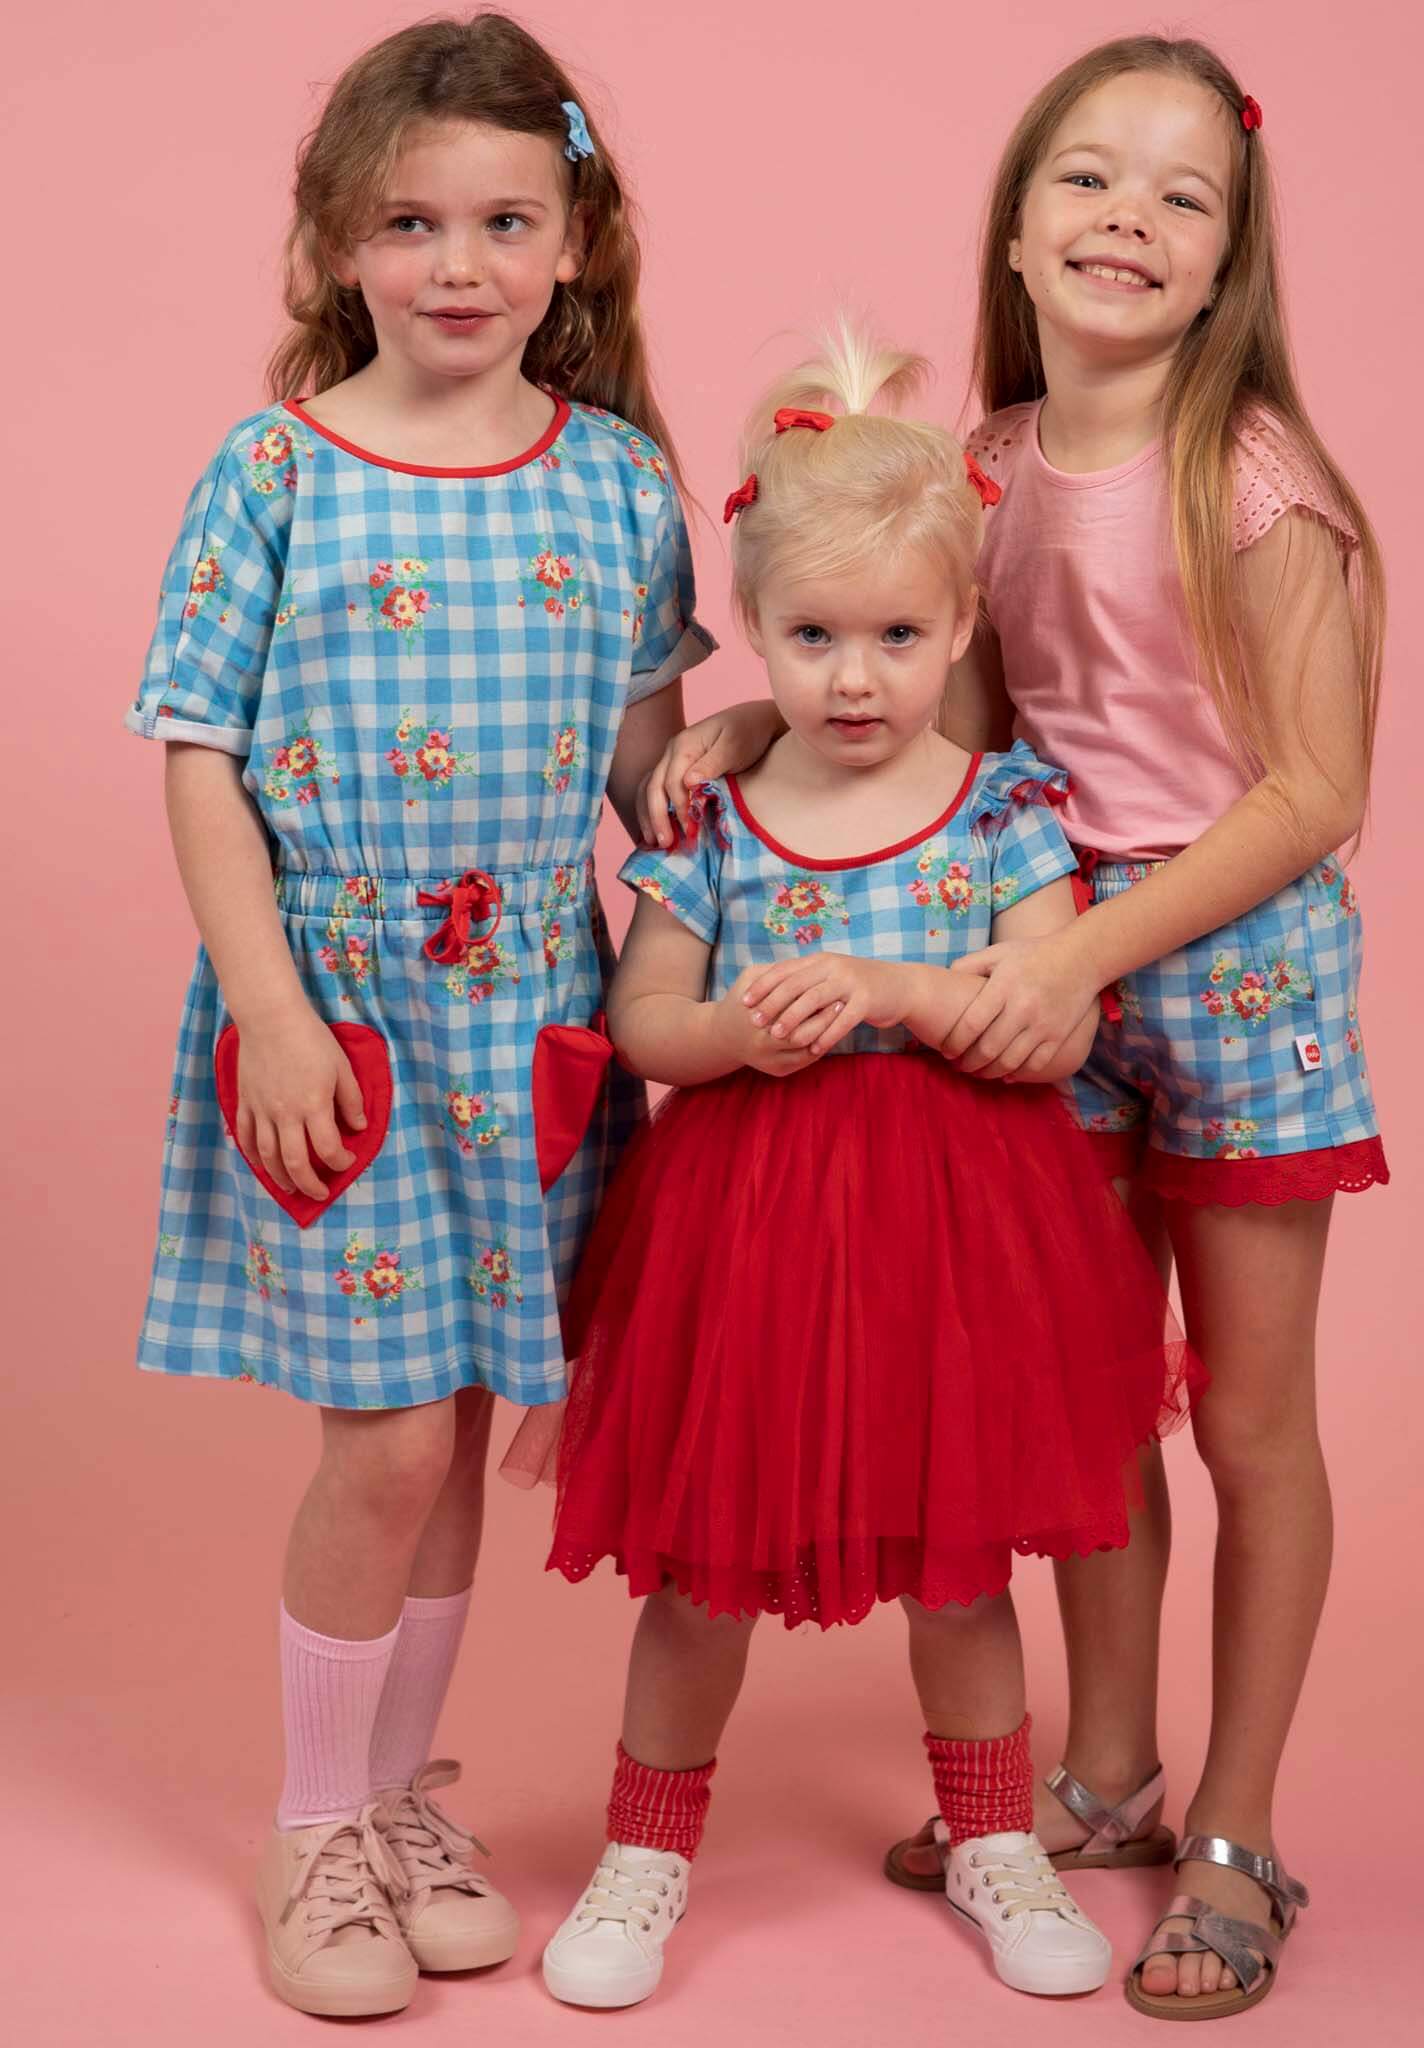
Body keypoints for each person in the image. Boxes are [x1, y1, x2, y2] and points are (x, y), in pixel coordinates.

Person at [659, 38, 1388, 2023]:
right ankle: (1105, 1775)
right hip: (1029, 945)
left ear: (1228, 261)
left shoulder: (1255, 478)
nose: (1128, 220)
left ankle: (1235, 1829)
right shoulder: (975, 470)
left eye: (1181, 196)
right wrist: (757, 715)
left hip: (1224, 957)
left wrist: (1087, 959)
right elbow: (937, 696)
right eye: (1089, 177)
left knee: (1247, 1416)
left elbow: (1315, 787)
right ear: (1014, 221)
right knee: (1085, 1401)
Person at [125, 11, 713, 2016]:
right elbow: (199, 752)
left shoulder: (619, 481)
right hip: (346, 1017)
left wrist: (727, 782)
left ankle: (391, 1798)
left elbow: (639, 754)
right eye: (410, 222)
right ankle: (311, 1825)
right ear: (337, 245)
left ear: (574, 243)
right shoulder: (276, 468)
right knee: (380, 1445)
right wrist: (270, 1006)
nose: (459, 263)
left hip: (533, 1019)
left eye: (504, 221)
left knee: (460, 1432)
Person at [537, 328, 1204, 2011]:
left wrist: (901, 991)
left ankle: (993, 1837)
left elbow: (1051, 1023)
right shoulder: (717, 818)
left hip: (956, 1233)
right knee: (704, 1568)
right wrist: (733, 1036)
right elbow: (641, 1020)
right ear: (754, 630)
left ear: (963, 627)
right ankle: (644, 1855)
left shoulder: (1003, 812)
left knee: (959, 1563)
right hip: (747, 1228)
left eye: (898, 637)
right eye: (813, 637)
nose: (853, 680)